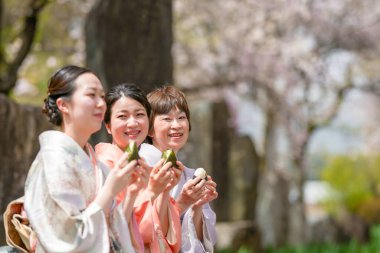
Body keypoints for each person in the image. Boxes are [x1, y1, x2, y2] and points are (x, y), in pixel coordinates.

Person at [24, 65, 139, 252]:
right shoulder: (54, 160)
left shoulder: (98, 166)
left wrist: (133, 191)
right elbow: (69, 239)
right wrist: (110, 190)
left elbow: (114, 233)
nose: (101, 103)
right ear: (63, 105)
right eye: (91, 95)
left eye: (102, 96)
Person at [95, 84, 182, 252]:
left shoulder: (144, 165)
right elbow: (134, 231)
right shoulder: (104, 165)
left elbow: (162, 234)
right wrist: (153, 191)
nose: (133, 123)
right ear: (107, 125)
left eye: (140, 115)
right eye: (122, 116)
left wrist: (165, 190)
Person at [139, 85, 218, 253]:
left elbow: (200, 242)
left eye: (181, 118)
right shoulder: (141, 166)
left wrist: (197, 205)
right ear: (150, 129)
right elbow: (144, 225)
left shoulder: (189, 175)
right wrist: (183, 202)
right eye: (167, 119)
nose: (176, 125)